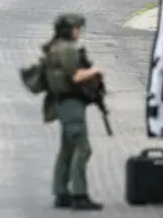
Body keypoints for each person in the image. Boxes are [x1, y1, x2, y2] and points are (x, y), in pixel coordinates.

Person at [43, 13, 104, 210]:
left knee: (67, 148)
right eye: (76, 28)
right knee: (83, 149)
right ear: (68, 30)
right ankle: (79, 194)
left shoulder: (56, 47)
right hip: (71, 104)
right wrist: (95, 71)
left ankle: (61, 192)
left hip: (65, 103)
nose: (79, 31)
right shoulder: (67, 49)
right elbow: (75, 76)